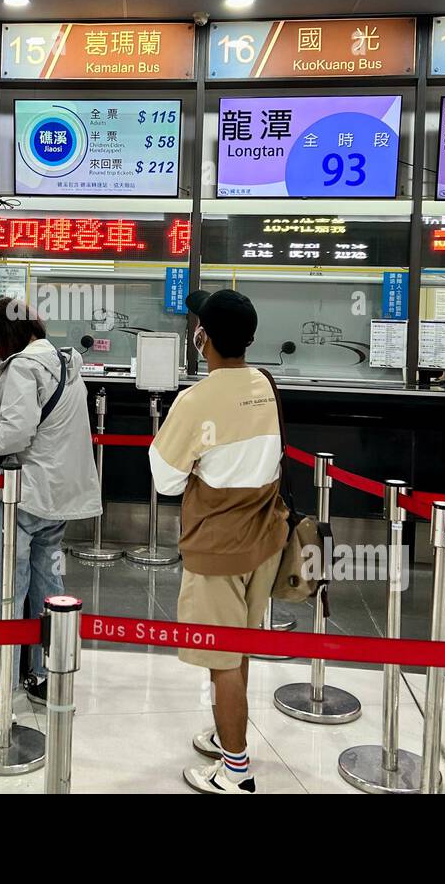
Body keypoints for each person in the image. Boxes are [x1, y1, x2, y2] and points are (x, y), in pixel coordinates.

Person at [149, 289, 283, 795]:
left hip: (217, 546)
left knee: (223, 658)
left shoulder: (195, 399)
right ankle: (229, 735)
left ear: (203, 337)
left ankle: (236, 770)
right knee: (239, 648)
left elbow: (164, 479)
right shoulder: (266, 384)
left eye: (197, 325)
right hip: (264, 539)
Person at [0, 297, 100, 723]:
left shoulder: (23, 368)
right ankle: (42, 676)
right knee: (48, 587)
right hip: (57, 497)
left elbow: (16, 433)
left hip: (23, 494)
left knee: (4, 590)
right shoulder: (65, 362)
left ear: (6, 336)